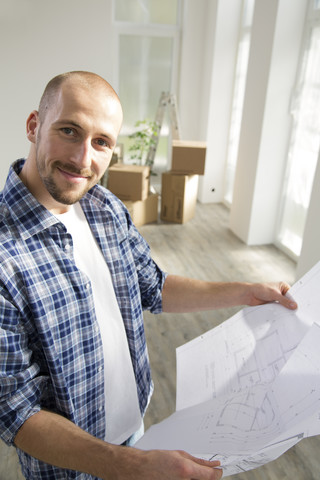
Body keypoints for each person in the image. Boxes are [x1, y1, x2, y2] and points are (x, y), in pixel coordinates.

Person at [0, 71, 297, 480]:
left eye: (101, 142)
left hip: (136, 429)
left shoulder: (103, 205)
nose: (83, 159)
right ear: (34, 126)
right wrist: (135, 467)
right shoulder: (4, 256)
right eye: (69, 131)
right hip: (73, 467)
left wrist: (245, 292)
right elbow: (17, 411)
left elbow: (153, 286)